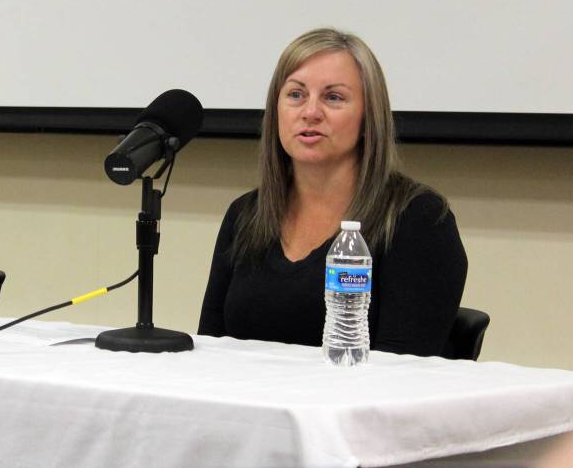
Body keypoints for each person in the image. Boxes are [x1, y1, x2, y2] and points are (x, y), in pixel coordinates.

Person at [198, 28, 467, 356]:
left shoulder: (417, 219)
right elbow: (211, 350)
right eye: (296, 95)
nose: (310, 112)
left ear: (369, 117)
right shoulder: (246, 215)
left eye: (333, 97)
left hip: (352, 405)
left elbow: (402, 373)